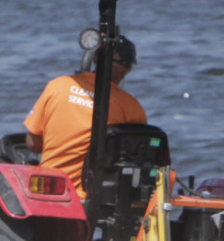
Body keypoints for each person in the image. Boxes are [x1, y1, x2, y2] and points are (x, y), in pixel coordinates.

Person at [23, 36, 146, 197]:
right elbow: (139, 154)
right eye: (126, 66)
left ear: (95, 58)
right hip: (101, 198)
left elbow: (33, 142)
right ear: (128, 69)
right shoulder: (131, 106)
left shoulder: (58, 86)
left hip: (52, 191)